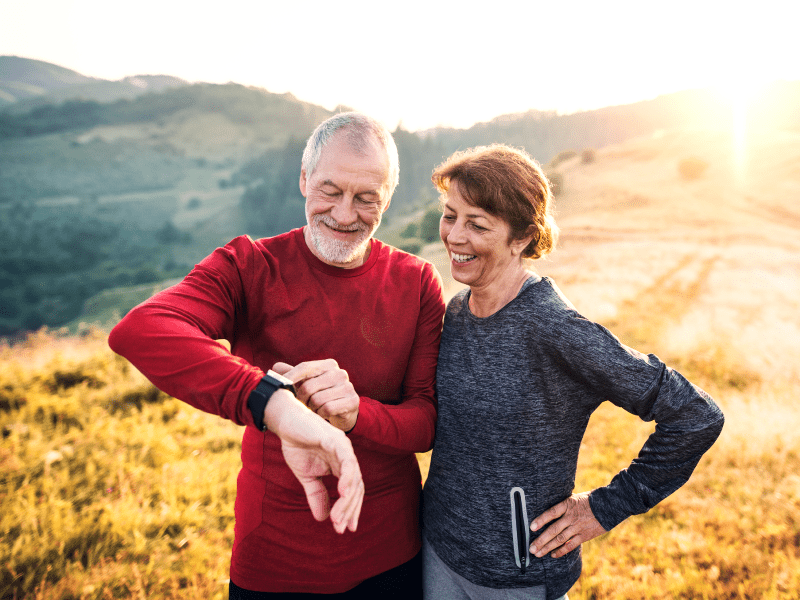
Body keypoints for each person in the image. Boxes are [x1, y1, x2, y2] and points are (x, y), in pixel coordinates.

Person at [108, 112, 446, 598]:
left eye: (366, 198)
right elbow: (142, 330)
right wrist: (274, 402)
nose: (346, 214)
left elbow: (425, 422)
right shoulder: (248, 265)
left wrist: (355, 416)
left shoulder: (416, 281)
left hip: (392, 554)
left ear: (387, 198)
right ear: (304, 179)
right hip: (275, 561)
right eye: (330, 190)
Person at [421, 144, 724, 600]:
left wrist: (603, 508)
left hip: (519, 581)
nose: (454, 236)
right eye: (450, 216)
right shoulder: (459, 311)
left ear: (521, 237)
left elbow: (696, 414)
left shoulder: (555, 328)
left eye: (477, 224)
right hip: (437, 556)